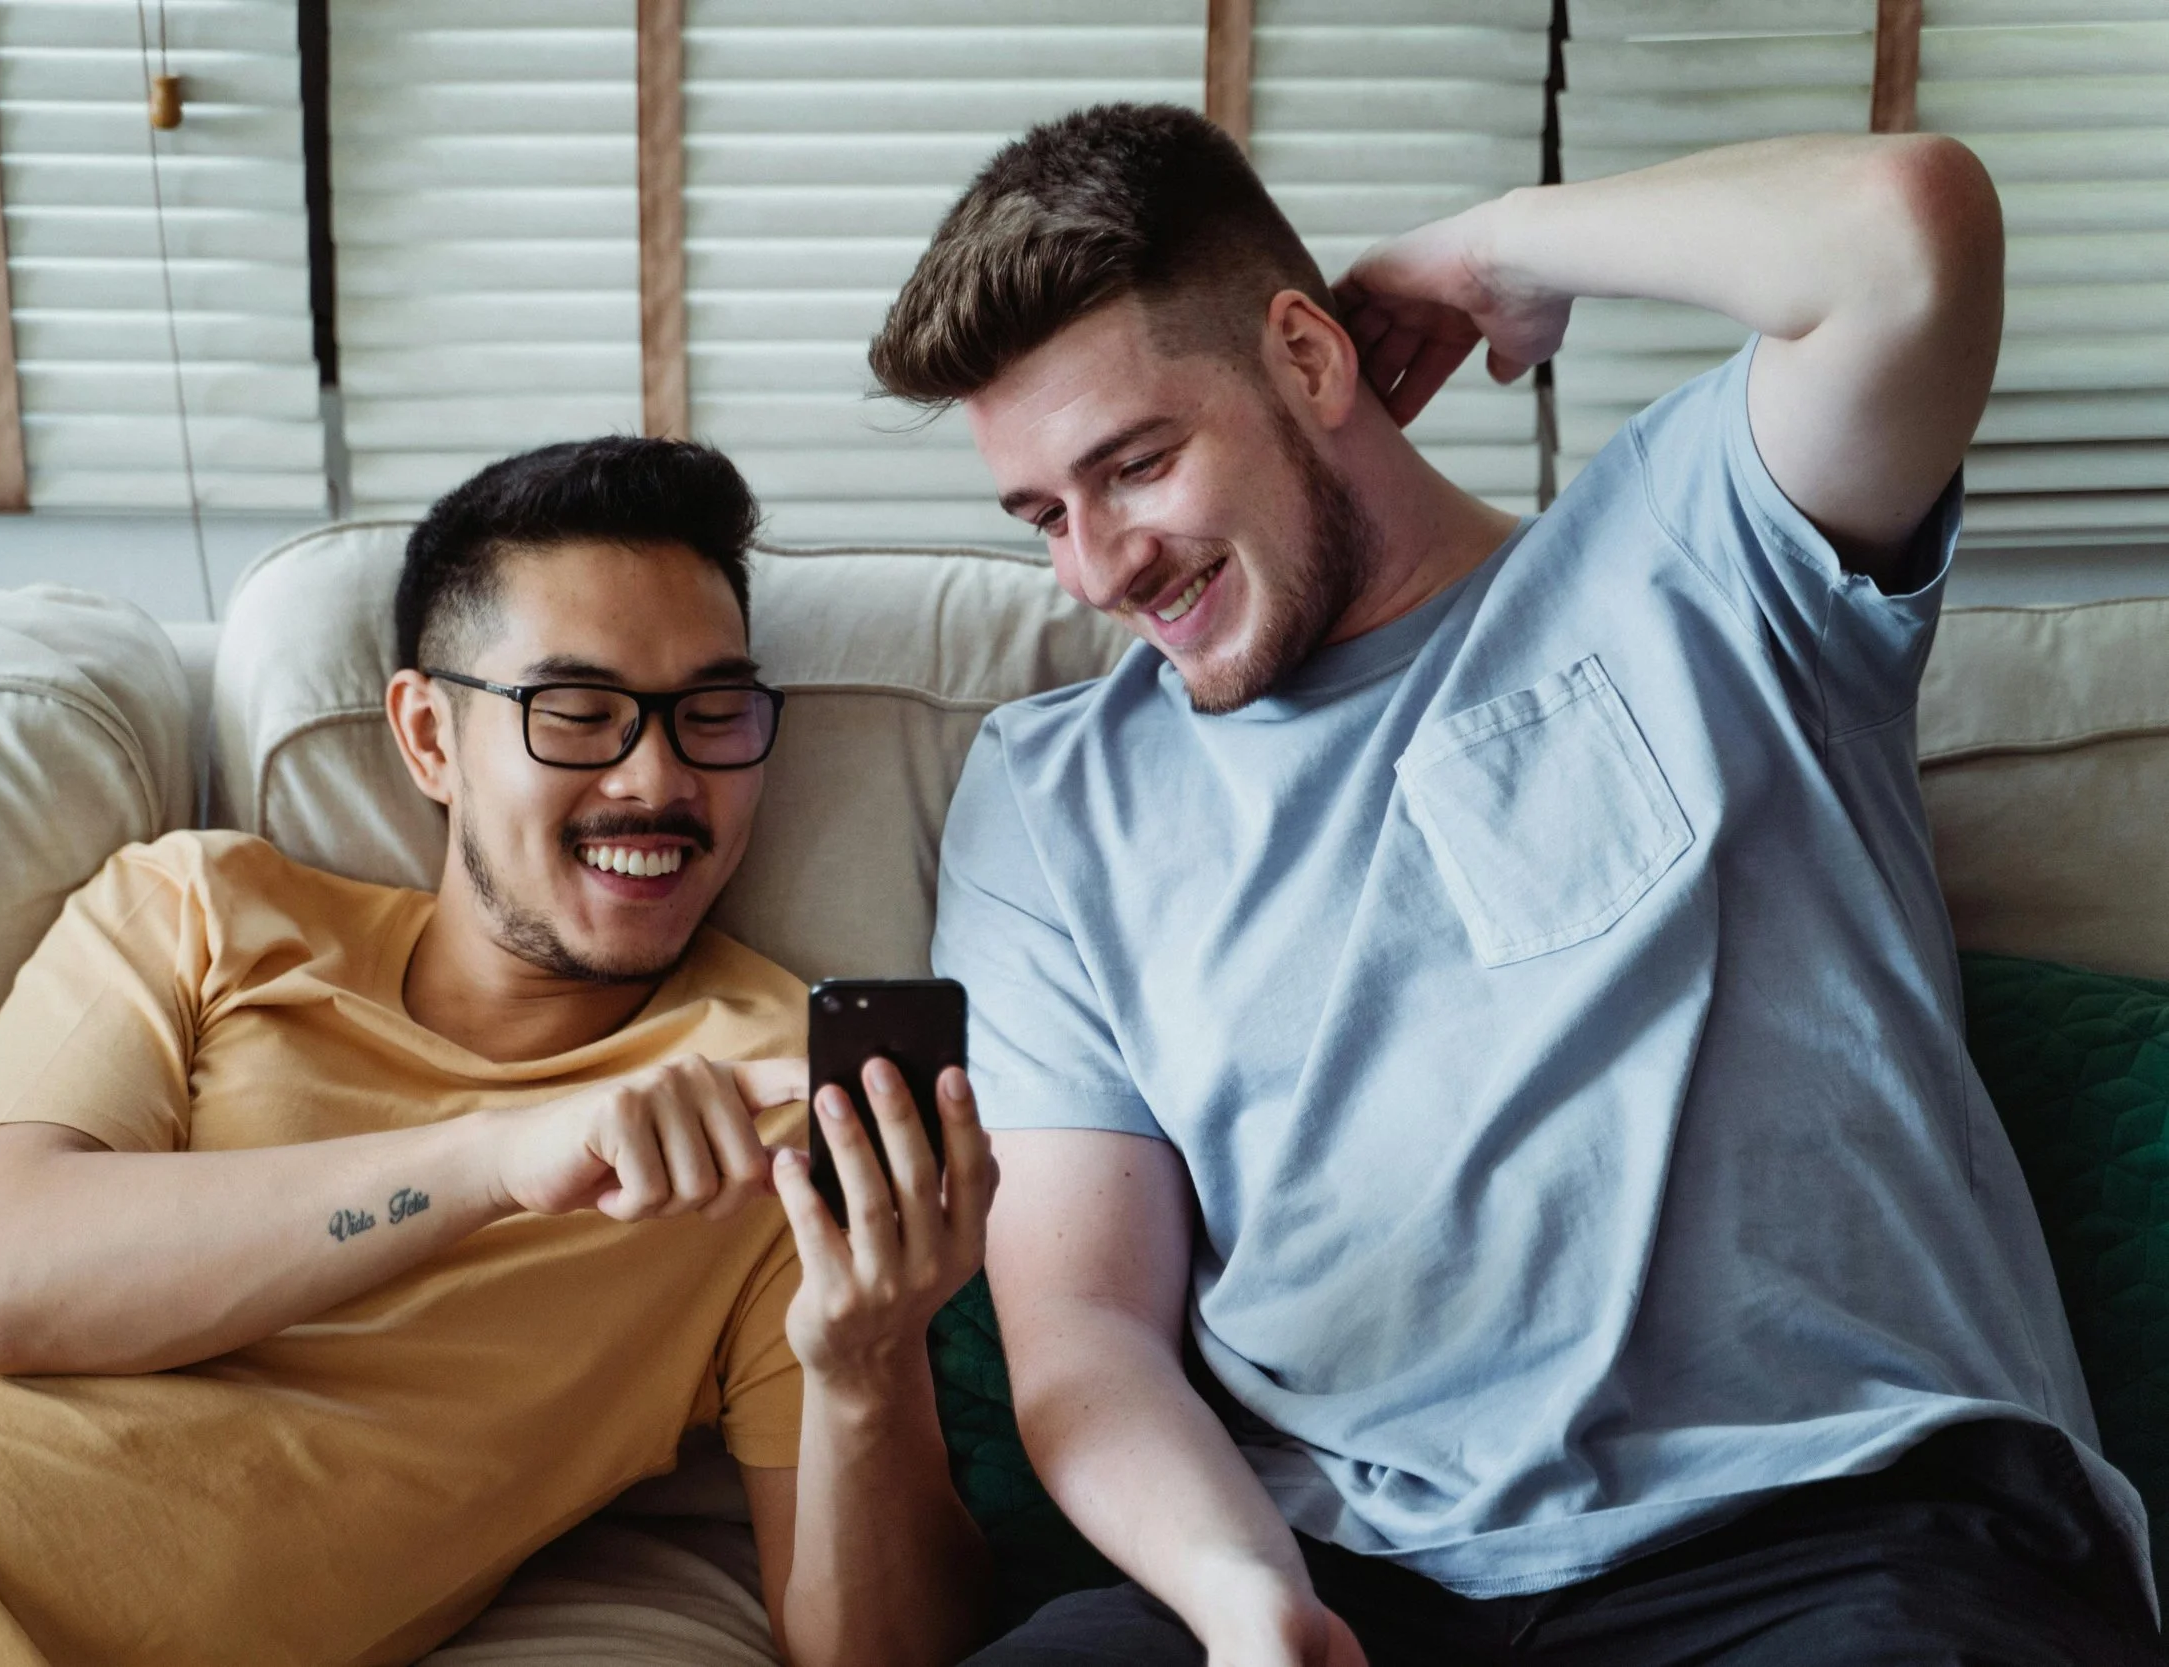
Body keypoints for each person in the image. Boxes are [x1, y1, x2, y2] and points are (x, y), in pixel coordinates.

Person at [873, 103, 2163, 1666]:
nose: (1097, 568)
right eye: (1042, 517)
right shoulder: (1047, 796)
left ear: (1307, 356)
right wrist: (1242, 1599)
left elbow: (1909, 227)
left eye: (1135, 467)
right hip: (1341, 1570)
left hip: (1838, 1534)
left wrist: (1492, 247)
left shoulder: (1698, 557)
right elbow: (1084, 1333)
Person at [0, 437, 993, 1667]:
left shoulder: (771, 1104)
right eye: (578, 710)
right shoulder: (203, 907)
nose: (657, 780)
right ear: (428, 734)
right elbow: (5, 1277)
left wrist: (868, 1368)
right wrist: (496, 1159)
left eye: (712, 712)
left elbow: (873, 1650)